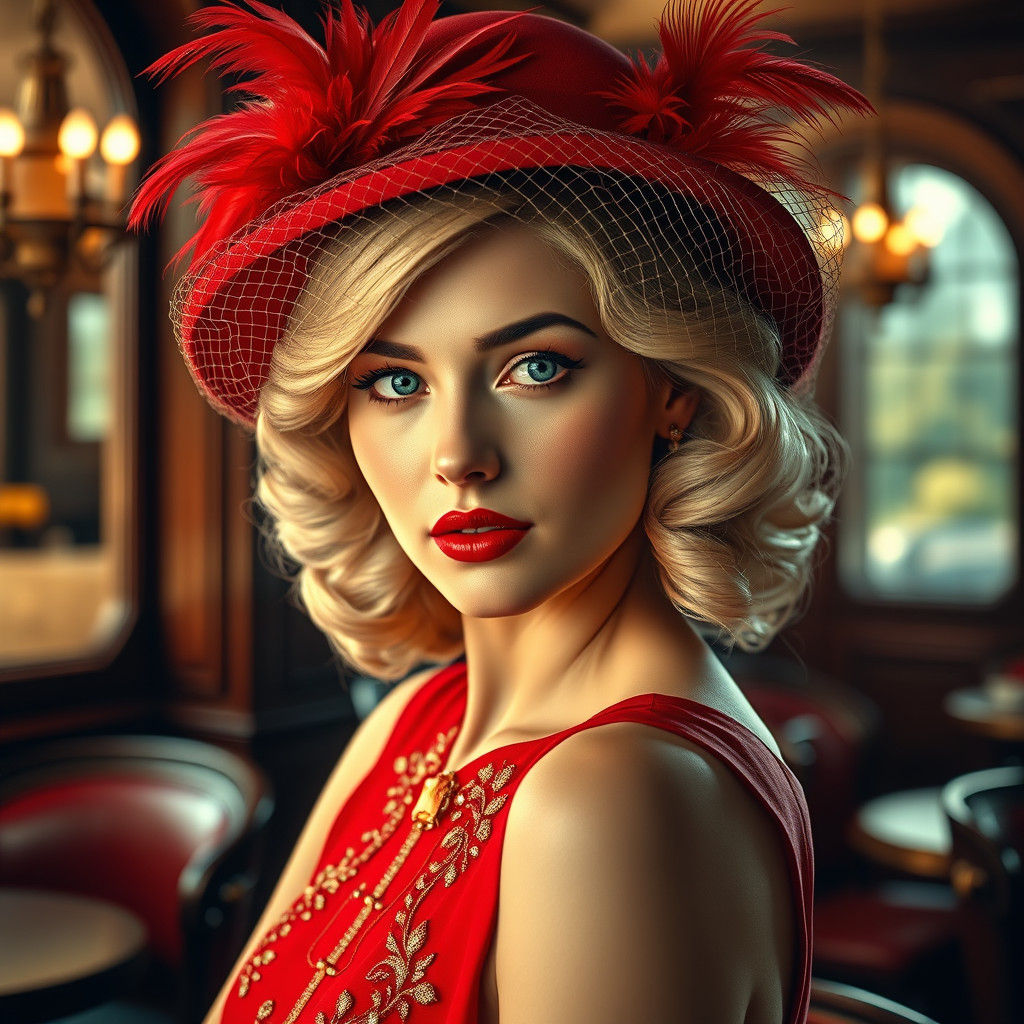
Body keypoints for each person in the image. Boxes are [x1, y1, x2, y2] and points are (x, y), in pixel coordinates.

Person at [130, 1, 871, 1021]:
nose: (457, 457)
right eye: (394, 382)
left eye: (534, 367)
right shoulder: (419, 721)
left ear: (673, 387)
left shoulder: (611, 798)